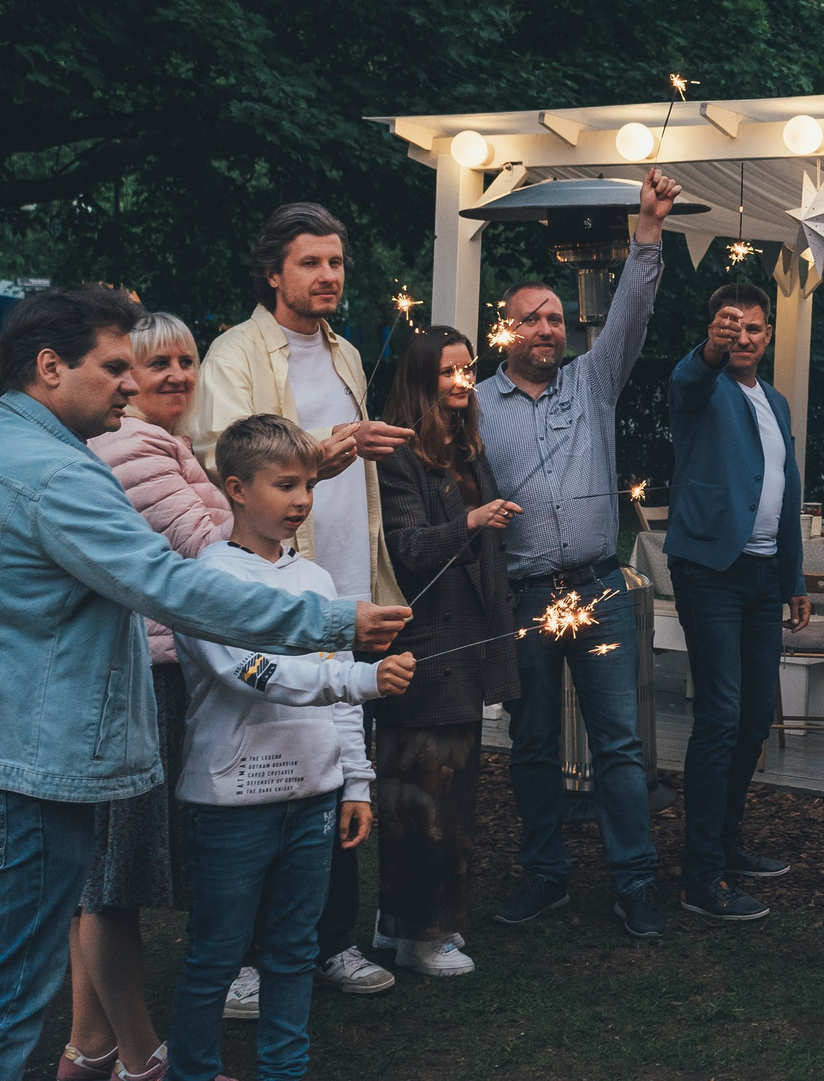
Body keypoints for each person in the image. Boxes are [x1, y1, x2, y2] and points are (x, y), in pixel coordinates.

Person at [0, 285, 407, 1081]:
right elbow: (173, 584)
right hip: (21, 766)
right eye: (114, 367)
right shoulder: (57, 476)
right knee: (4, 996)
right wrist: (333, 620)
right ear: (52, 368)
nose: (133, 384)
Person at [150, 415, 419, 1081]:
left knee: (294, 954)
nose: (304, 498)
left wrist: (355, 780)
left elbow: (335, 704)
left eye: (308, 483)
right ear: (236, 488)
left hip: (313, 798)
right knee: (211, 961)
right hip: (232, 803)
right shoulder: (206, 577)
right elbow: (255, 673)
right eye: (286, 483)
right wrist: (362, 676)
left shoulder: (316, 582)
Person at [191, 201, 410, 1004]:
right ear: (273, 271)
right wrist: (322, 453)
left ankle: (328, 940)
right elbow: (221, 459)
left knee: (339, 754)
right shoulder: (235, 351)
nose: (328, 275)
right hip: (275, 582)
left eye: (336, 262)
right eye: (311, 262)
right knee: (274, 752)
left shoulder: (348, 352)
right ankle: (245, 956)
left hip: (344, 574)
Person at [477, 167, 681, 938]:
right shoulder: (476, 408)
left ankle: (636, 882)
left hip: (597, 591)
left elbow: (631, 308)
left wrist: (649, 229)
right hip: (525, 595)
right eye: (531, 318)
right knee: (529, 744)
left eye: (556, 317)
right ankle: (546, 874)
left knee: (619, 744)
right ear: (506, 330)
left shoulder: (593, 383)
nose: (547, 328)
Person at [64, 312, 241, 1081]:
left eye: (185, 360)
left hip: (128, 671)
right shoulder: (137, 447)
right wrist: (296, 473)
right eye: (155, 362)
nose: (174, 374)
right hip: (143, 676)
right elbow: (217, 548)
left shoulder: (153, 444)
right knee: (117, 875)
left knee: (102, 870)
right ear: (126, 376)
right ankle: (141, 1064)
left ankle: (87, 1045)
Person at [375, 327, 524, 976]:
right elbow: (405, 546)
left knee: (453, 790)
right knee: (420, 796)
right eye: (448, 372)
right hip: (423, 648)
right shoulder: (399, 453)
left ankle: (406, 921)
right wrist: (469, 520)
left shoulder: (468, 449)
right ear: (419, 378)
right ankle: (419, 934)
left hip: (468, 645)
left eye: (469, 370)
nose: (463, 381)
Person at [664, 282, 812, 922]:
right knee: (720, 716)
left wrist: (794, 578)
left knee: (755, 716)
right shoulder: (701, 385)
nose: (744, 337)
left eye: (754, 328)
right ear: (716, 330)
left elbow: (784, 488)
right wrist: (710, 350)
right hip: (711, 570)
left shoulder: (774, 401)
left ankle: (725, 846)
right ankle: (700, 876)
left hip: (760, 578)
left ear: (768, 334)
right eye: (732, 327)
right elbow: (689, 380)